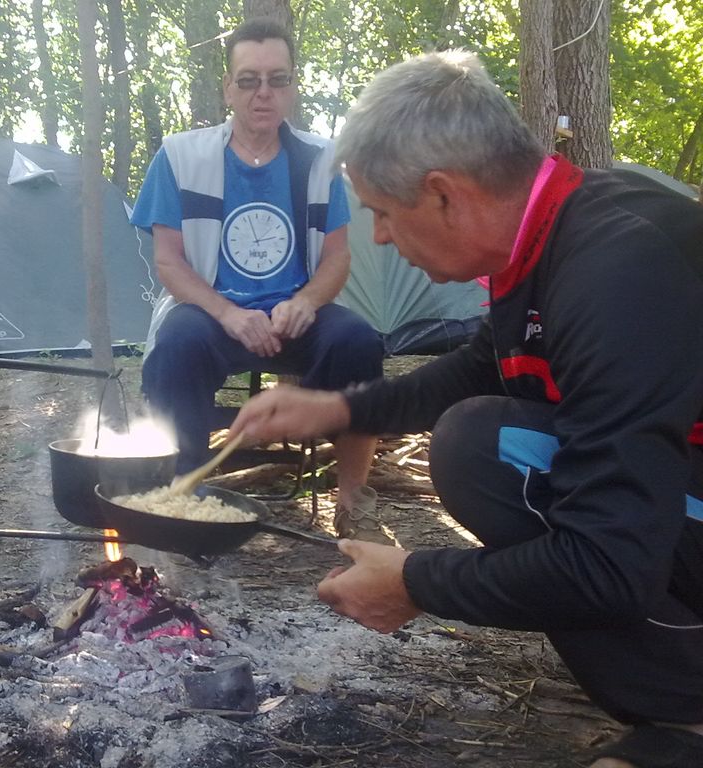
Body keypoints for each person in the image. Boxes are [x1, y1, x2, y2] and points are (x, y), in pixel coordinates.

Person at [230, 49, 703, 768]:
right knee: (479, 438)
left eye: (383, 213)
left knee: (479, 448)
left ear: (444, 195)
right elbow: (481, 367)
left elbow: (609, 563)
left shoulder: (618, 272)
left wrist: (416, 583)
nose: (379, 236)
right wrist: (334, 410)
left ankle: (686, 717)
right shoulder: (549, 233)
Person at [130, 19, 386, 540]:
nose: (262, 92)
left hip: (294, 314)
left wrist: (306, 301)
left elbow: (337, 258)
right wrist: (228, 313)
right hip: (212, 310)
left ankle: (354, 504)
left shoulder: (321, 160)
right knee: (177, 343)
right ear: (228, 87)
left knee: (359, 342)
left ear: (292, 87)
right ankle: (182, 497)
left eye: (276, 79)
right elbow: (170, 263)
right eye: (248, 80)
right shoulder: (180, 156)